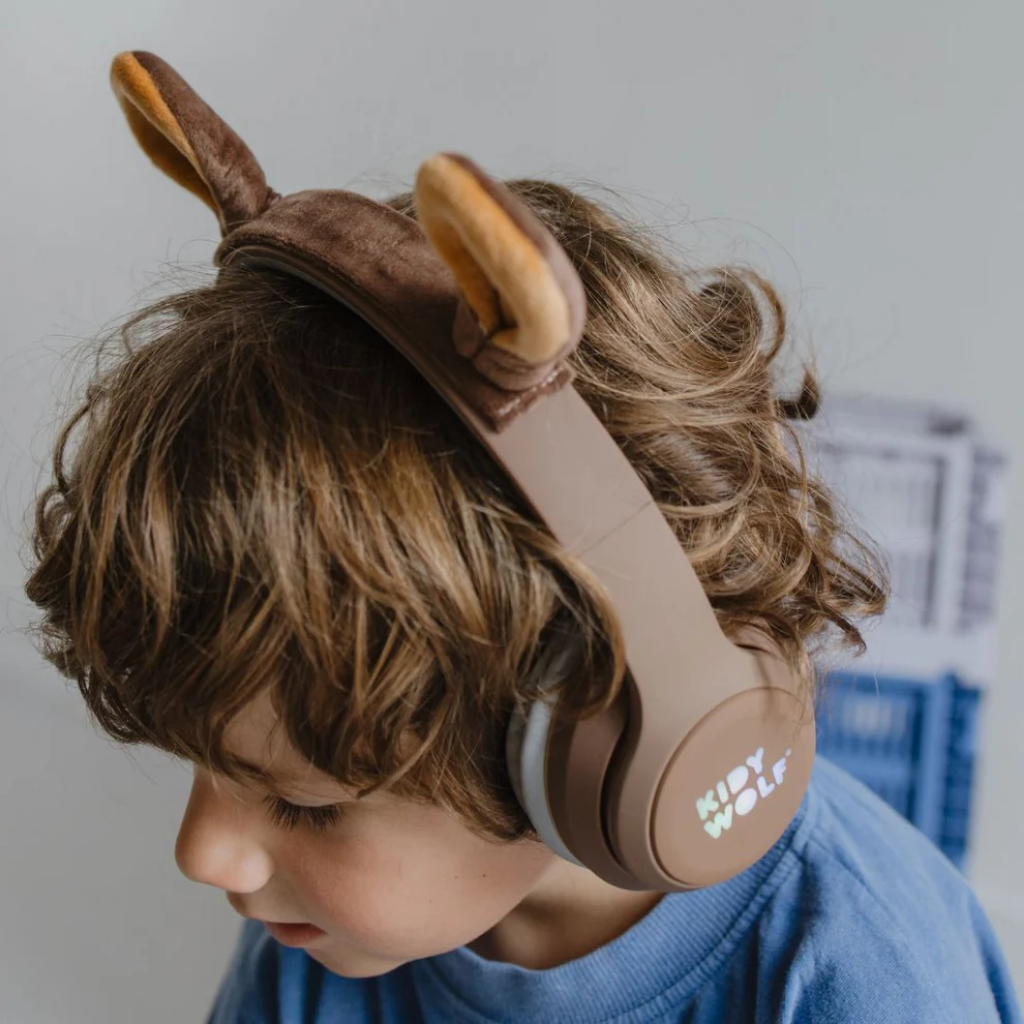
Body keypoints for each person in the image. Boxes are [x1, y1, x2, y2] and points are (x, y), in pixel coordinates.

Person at [21, 49, 1021, 1024]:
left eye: (306, 805)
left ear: (593, 737)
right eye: (207, 765)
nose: (203, 852)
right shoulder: (317, 928)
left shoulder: (871, 976)